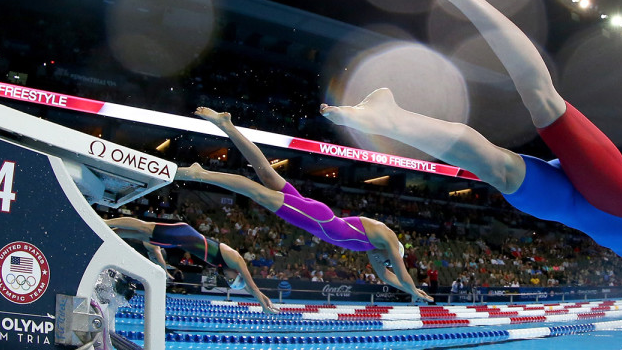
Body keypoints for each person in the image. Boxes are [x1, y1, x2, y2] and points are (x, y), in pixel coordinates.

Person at [322, 0, 622, 350]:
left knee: (498, 169)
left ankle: (392, 118)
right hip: (616, 192)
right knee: (541, 100)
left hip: (570, 206)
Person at [178, 108, 433, 304]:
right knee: (254, 190)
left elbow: (387, 276)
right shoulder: (387, 239)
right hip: (318, 219)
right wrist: (413, 290)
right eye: (391, 260)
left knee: (265, 173)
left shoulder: (378, 250)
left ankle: (228, 126)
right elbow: (399, 272)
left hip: (316, 216)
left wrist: (412, 289)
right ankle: (201, 174)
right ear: (395, 252)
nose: (386, 262)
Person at [105, 215, 276, 313]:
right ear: (237, 274)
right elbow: (251, 286)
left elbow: (247, 288)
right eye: (231, 280)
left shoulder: (225, 267)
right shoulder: (235, 259)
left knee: (141, 236)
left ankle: (106, 230)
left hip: (177, 242)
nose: (227, 280)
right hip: (183, 233)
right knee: (145, 228)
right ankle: (106, 222)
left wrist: (260, 297)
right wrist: (262, 303)